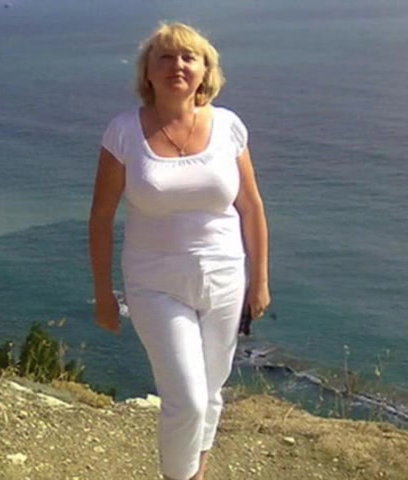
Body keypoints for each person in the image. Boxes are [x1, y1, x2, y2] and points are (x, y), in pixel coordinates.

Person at [88, 22, 270, 480]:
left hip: (225, 277)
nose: (178, 65)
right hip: (154, 283)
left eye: (190, 57)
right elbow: (101, 217)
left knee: (210, 393)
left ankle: (196, 473)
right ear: (147, 72)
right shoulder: (123, 131)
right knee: (186, 399)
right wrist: (104, 294)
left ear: (206, 70)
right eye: (165, 57)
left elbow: (250, 206)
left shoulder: (228, 126)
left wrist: (260, 281)